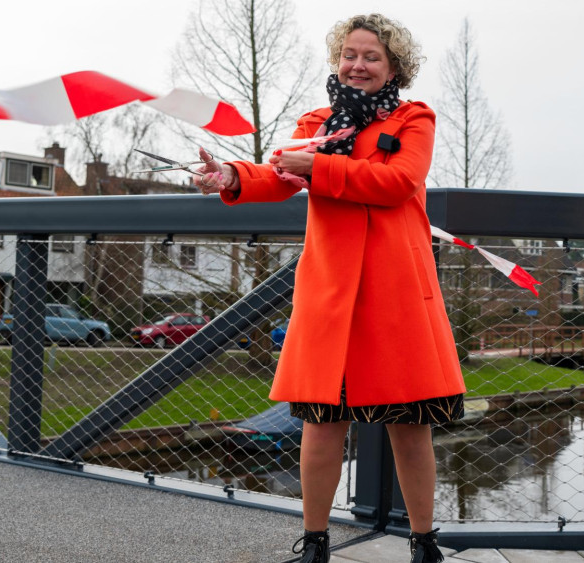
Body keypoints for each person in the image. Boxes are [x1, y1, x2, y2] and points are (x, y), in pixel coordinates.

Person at [196, 13, 464, 563]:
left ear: (393, 67)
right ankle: (315, 542)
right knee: (321, 424)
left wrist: (317, 165)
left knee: (410, 427)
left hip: (394, 295)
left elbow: (396, 183)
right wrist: (231, 177)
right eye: (349, 54)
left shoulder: (415, 118)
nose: (357, 65)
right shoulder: (318, 119)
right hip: (331, 294)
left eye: (371, 57)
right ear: (337, 60)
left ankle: (424, 543)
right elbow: (280, 175)